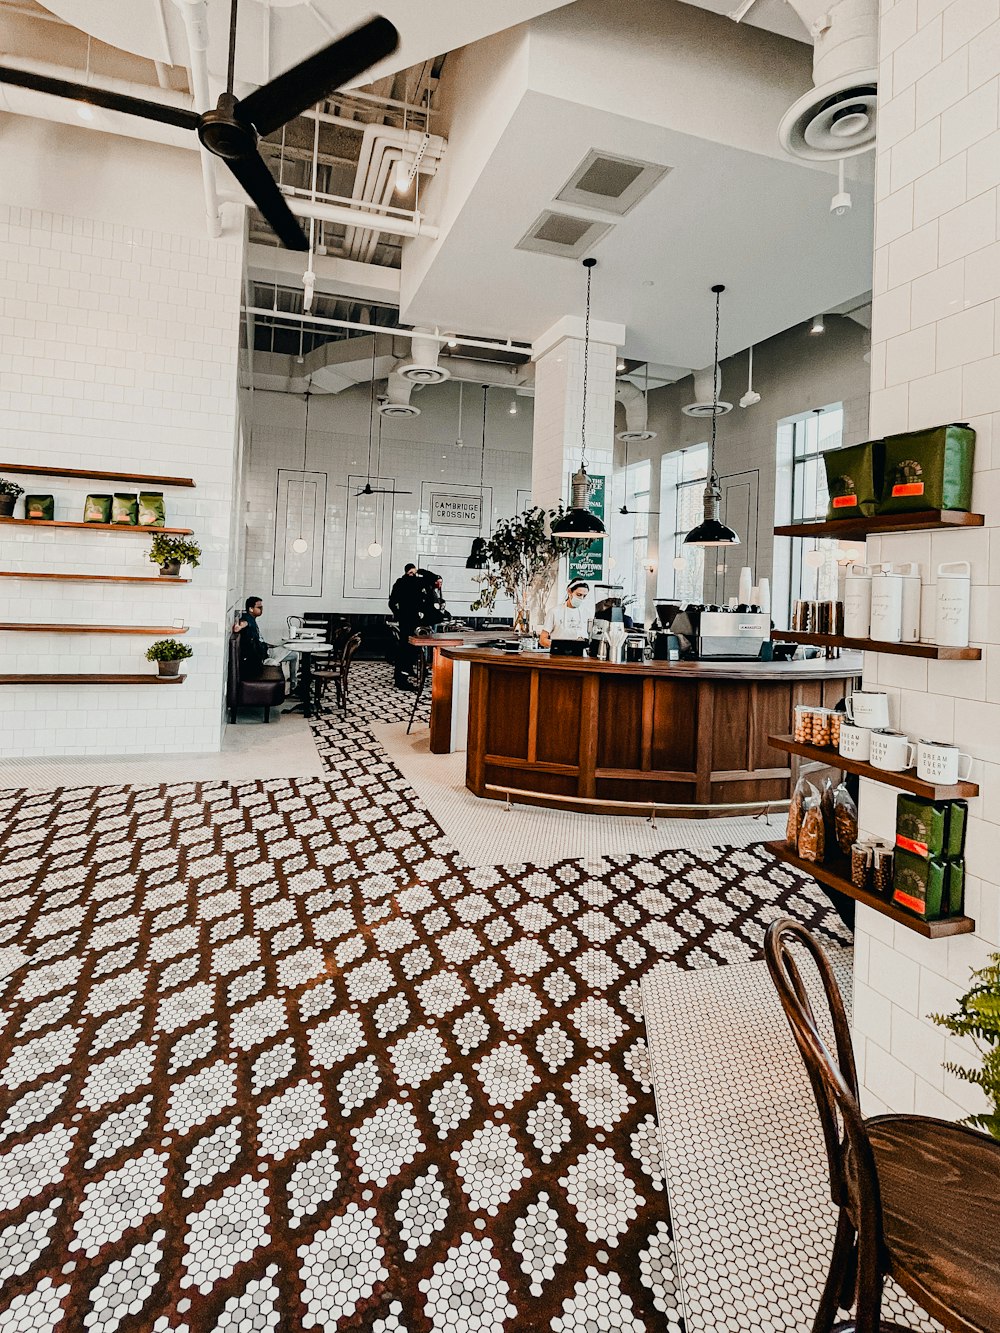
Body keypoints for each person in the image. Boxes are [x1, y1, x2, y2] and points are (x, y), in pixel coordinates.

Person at [388, 563, 422, 691]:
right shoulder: (401, 584)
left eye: (415, 573)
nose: (413, 576)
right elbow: (392, 602)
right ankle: (401, 679)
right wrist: (399, 614)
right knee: (405, 650)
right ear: (407, 572)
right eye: (411, 573)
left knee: (409, 649)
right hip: (407, 621)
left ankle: (404, 674)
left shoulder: (412, 584)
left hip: (412, 621)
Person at [233, 596, 283, 682]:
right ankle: (294, 683)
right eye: (259, 607)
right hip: (261, 658)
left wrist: (274, 646)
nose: (261, 609)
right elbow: (244, 623)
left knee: (289, 651)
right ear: (251, 609)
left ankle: (294, 682)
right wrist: (239, 626)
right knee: (293, 655)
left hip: (264, 652)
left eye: (262, 607)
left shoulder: (252, 619)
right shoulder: (248, 618)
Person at [539, 579, 590, 649]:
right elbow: (542, 640)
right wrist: (561, 645)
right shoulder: (554, 612)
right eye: (579, 595)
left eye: (584, 596)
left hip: (579, 657)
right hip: (558, 655)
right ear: (569, 592)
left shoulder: (586, 613)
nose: (581, 598)